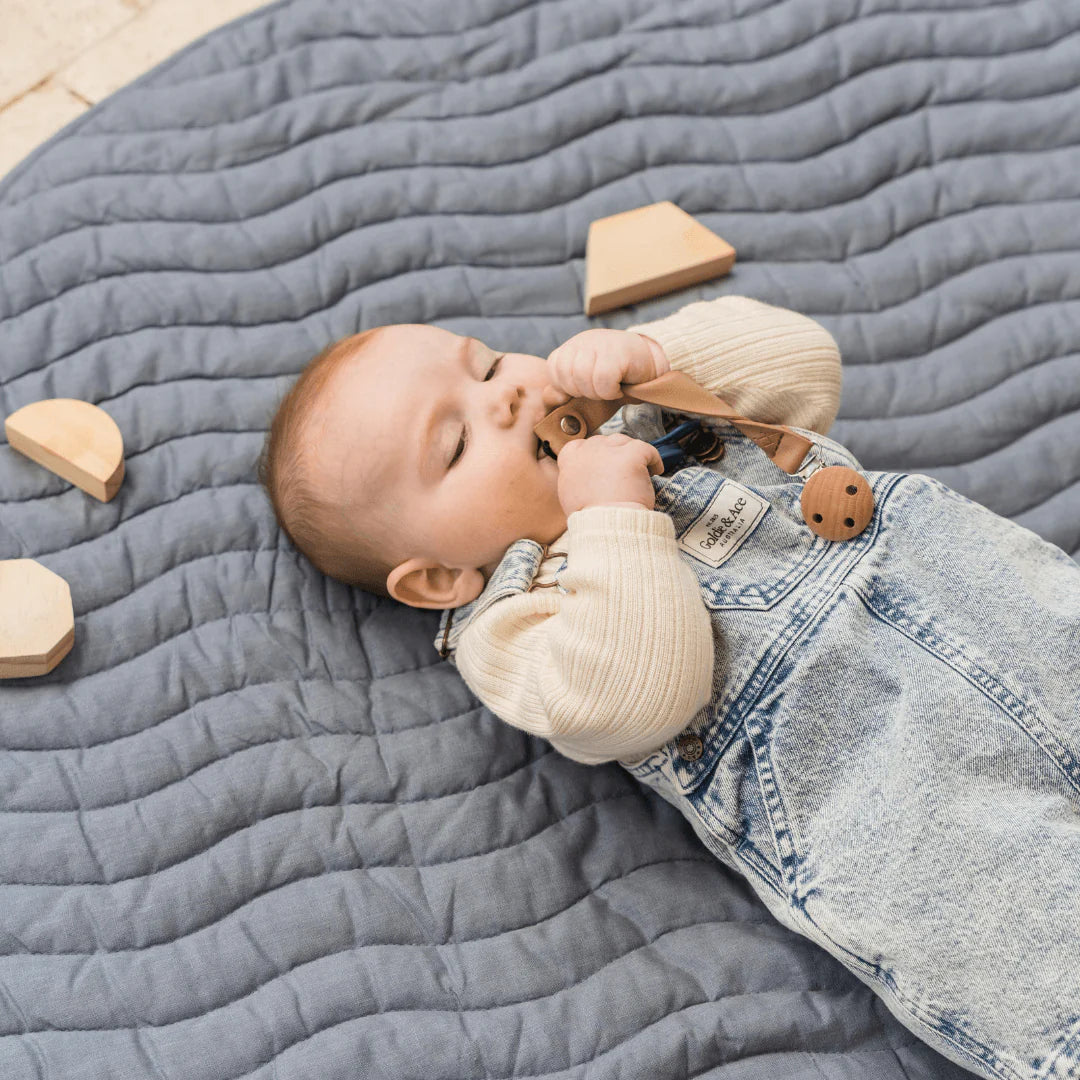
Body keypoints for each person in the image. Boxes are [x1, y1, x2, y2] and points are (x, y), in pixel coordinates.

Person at [258, 295, 1080, 1080]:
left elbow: (807, 367)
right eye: (455, 444)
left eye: (486, 365)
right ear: (440, 576)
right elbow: (635, 698)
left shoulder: (646, 410)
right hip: (897, 798)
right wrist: (611, 517)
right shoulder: (516, 624)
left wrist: (657, 356)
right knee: (1040, 956)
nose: (506, 396)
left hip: (1006, 614)